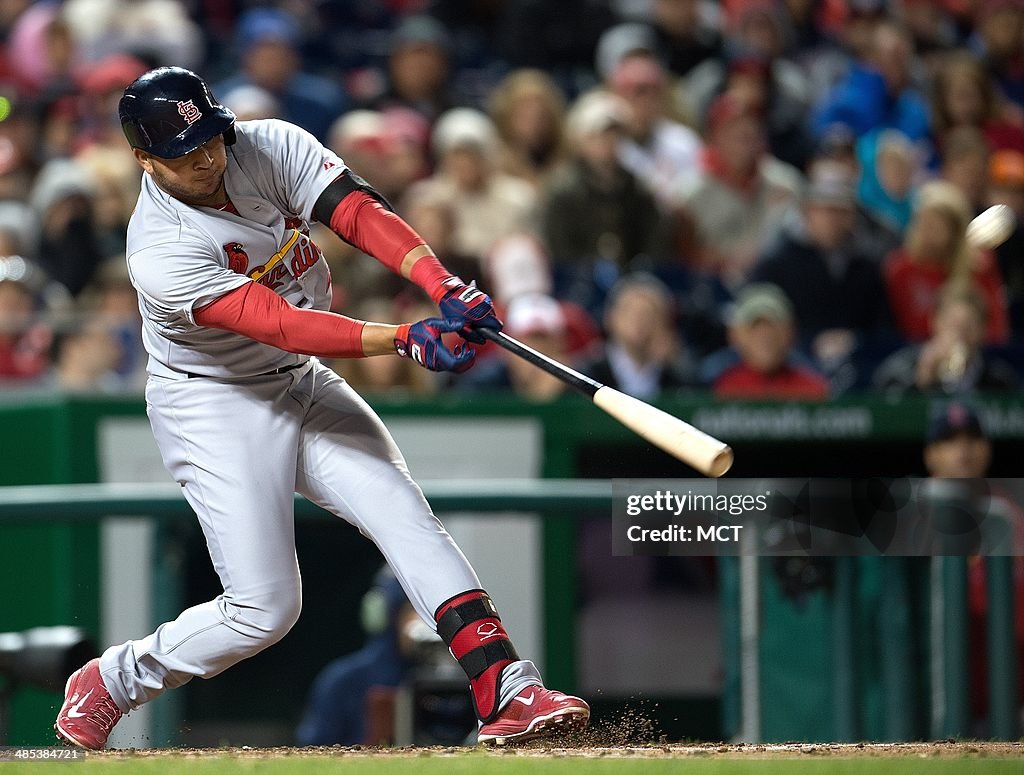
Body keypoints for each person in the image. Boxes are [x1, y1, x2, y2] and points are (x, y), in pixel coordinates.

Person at [53, 66, 589, 750]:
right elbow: (277, 321)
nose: (210, 156)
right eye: (187, 152)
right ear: (144, 159)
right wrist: (402, 339)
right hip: (213, 401)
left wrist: (441, 283)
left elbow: (356, 210)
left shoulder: (266, 143)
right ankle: (115, 679)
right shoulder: (160, 248)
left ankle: (506, 686)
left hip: (298, 378)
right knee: (265, 609)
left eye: (211, 137)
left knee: (402, 510)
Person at [712, 282, 829, 400]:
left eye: (773, 326)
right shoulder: (725, 389)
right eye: (754, 327)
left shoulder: (813, 390)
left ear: (790, 332)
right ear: (735, 335)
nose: (764, 336)